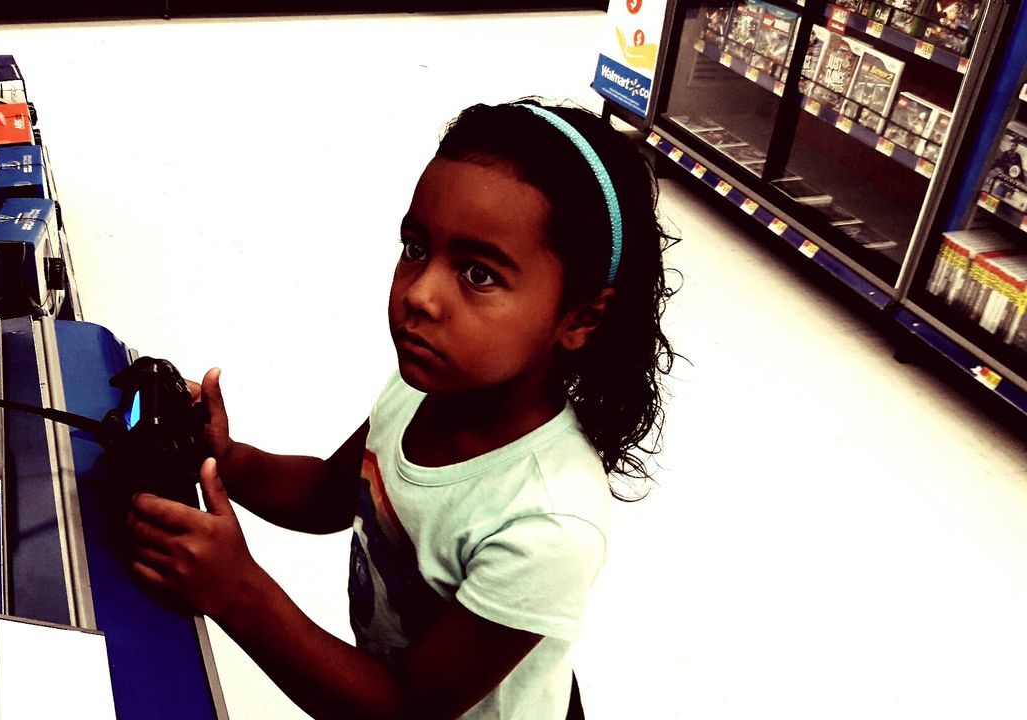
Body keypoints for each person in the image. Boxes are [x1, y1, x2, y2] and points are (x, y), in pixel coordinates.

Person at [125, 98, 677, 719]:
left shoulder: (550, 522)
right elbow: (331, 493)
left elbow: (403, 708)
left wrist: (238, 593)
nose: (420, 295)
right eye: (416, 248)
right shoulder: (427, 387)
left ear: (580, 317)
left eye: (478, 273)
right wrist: (227, 459)